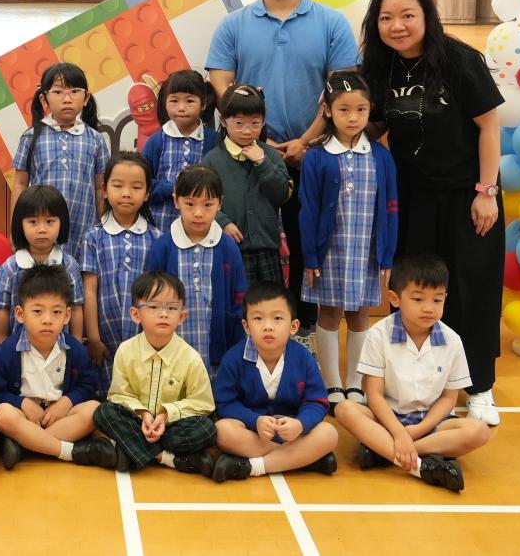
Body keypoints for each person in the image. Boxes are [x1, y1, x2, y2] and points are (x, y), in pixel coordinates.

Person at [360, 0, 504, 425]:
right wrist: (326, 141)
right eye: (386, 18)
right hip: (411, 197)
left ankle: (479, 387)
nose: (397, 26)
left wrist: (486, 192)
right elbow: (370, 124)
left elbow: (489, 126)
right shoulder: (380, 67)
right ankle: (408, 387)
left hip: (467, 195)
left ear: (427, 16)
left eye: (408, 15)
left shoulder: (459, 59)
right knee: (413, 290)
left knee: (469, 290)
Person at [206, 0, 360, 342]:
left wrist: (306, 141)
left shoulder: (331, 22)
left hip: (311, 154)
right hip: (245, 156)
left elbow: (341, 90)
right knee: (248, 244)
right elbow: (220, 82)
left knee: (307, 242)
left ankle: (302, 328)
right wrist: (250, 136)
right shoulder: (234, 24)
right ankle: (247, 328)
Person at [334, 255, 492, 492]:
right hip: (386, 418)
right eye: (418, 299)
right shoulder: (378, 334)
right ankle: (421, 466)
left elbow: (448, 399)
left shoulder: (452, 341)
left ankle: (385, 451)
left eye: (437, 299)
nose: (429, 308)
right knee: (345, 409)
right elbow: (374, 395)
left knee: (479, 431)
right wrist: (398, 431)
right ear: (394, 299)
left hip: (430, 422)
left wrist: (416, 431)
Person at [299, 71, 399, 410]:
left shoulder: (381, 156)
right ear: (328, 111)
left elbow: (391, 207)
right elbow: (308, 210)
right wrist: (311, 257)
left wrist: (387, 256)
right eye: (344, 110)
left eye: (361, 110)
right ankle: (331, 383)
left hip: (367, 252)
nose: (353, 117)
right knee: (329, 313)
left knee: (360, 315)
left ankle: (355, 383)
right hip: (330, 253)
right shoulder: (317, 156)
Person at [0, 265, 115, 470]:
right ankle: (69, 451)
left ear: (67, 315)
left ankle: (26, 447)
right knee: (2, 414)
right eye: (37, 311)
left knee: (94, 410)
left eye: (56, 312)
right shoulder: (7, 352)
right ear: (20, 314)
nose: (47, 320)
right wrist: (22, 403)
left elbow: (88, 384)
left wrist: (67, 401)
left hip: (60, 419)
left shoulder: (75, 350)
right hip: (26, 419)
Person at [92, 271, 217, 476]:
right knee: (103, 412)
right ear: (136, 314)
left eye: (172, 308)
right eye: (153, 307)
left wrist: (166, 414)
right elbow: (119, 395)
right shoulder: (126, 350)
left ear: (182, 317)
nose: (163, 314)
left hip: (171, 427)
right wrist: (143, 414)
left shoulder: (191, 357)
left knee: (207, 429)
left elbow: (203, 403)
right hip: (137, 422)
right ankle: (166, 458)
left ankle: (132, 449)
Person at [210, 283, 337, 482]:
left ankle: (254, 466)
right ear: (246, 326)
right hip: (254, 433)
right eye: (258, 318)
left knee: (329, 433)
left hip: (294, 432)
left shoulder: (303, 357)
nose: (268, 326)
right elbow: (226, 403)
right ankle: (303, 458)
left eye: (277, 318)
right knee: (222, 430)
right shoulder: (233, 358)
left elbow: (317, 402)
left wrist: (300, 424)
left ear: (293, 326)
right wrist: (255, 420)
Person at [145, 166, 247, 374]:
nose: (198, 213)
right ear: (176, 201)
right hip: (170, 356)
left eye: (208, 204)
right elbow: (148, 300)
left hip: (217, 356)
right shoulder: (163, 247)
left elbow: (239, 301)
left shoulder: (228, 248)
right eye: (190, 204)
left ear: (220, 203)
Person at [11, 62, 109, 261]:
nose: (67, 99)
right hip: (41, 230)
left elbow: (100, 188)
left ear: (86, 98)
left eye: (74, 91)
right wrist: (15, 230)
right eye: (57, 92)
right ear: (44, 98)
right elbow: (20, 184)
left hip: (83, 230)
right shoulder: (31, 137)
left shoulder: (95, 139)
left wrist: (103, 229)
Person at [201, 85, 291, 287]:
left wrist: (263, 163)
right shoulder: (212, 160)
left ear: (263, 122)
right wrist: (222, 222)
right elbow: (203, 201)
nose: (247, 130)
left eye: (255, 123)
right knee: (236, 301)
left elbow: (282, 194)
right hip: (230, 246)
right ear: (224, 121)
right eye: (239, 123)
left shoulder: (271, 155)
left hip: (267, 247)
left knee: (270, 300)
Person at [81, 152, 161, 374]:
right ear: (105, 190)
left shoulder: (156, 238)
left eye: (136, 187)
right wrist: (93, 338)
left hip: (145, 339)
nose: (126, 193)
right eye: (118, 186)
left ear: (147, 193)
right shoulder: (93, 237)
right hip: (104, 340)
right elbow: (89, 289)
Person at [0, 185, 85, 345]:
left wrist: (76, 344)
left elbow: (76, 308)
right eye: (33, 222)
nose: (42, 229)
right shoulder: (11, 267)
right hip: (18, 349)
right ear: (20, 224)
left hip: (60, 349)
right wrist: (1, 344)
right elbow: (1, 309)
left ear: (61, 223)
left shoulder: (69, 266)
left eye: (50, 221)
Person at [141, 69, 216, 236]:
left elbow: (220, 184)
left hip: (203, 227)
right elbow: (142, 184)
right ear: (164, 103)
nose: (181, 108)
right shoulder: (156, 141)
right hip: (161, 226)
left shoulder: (213, 140)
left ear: (203, 103)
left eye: (190, 101)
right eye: (174, 101)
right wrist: (172, 188)